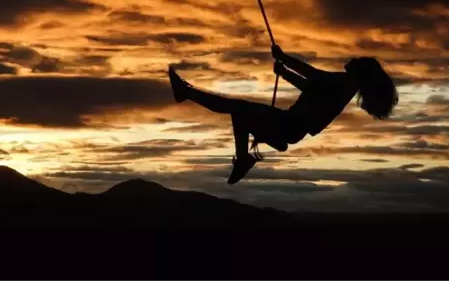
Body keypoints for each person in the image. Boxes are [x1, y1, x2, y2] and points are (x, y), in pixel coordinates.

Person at [168, 44, 398, 184]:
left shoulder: (344, 83)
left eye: (358, 61)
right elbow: (312, 84)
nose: (352, 59)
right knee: (239, 112)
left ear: (361, 72)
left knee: (236, 108)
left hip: (289, 124)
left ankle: (186, 93)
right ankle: (254, 150)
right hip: (290, 125)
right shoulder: (344, 86)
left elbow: (313, 77)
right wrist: (284, 69)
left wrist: (284, 61)